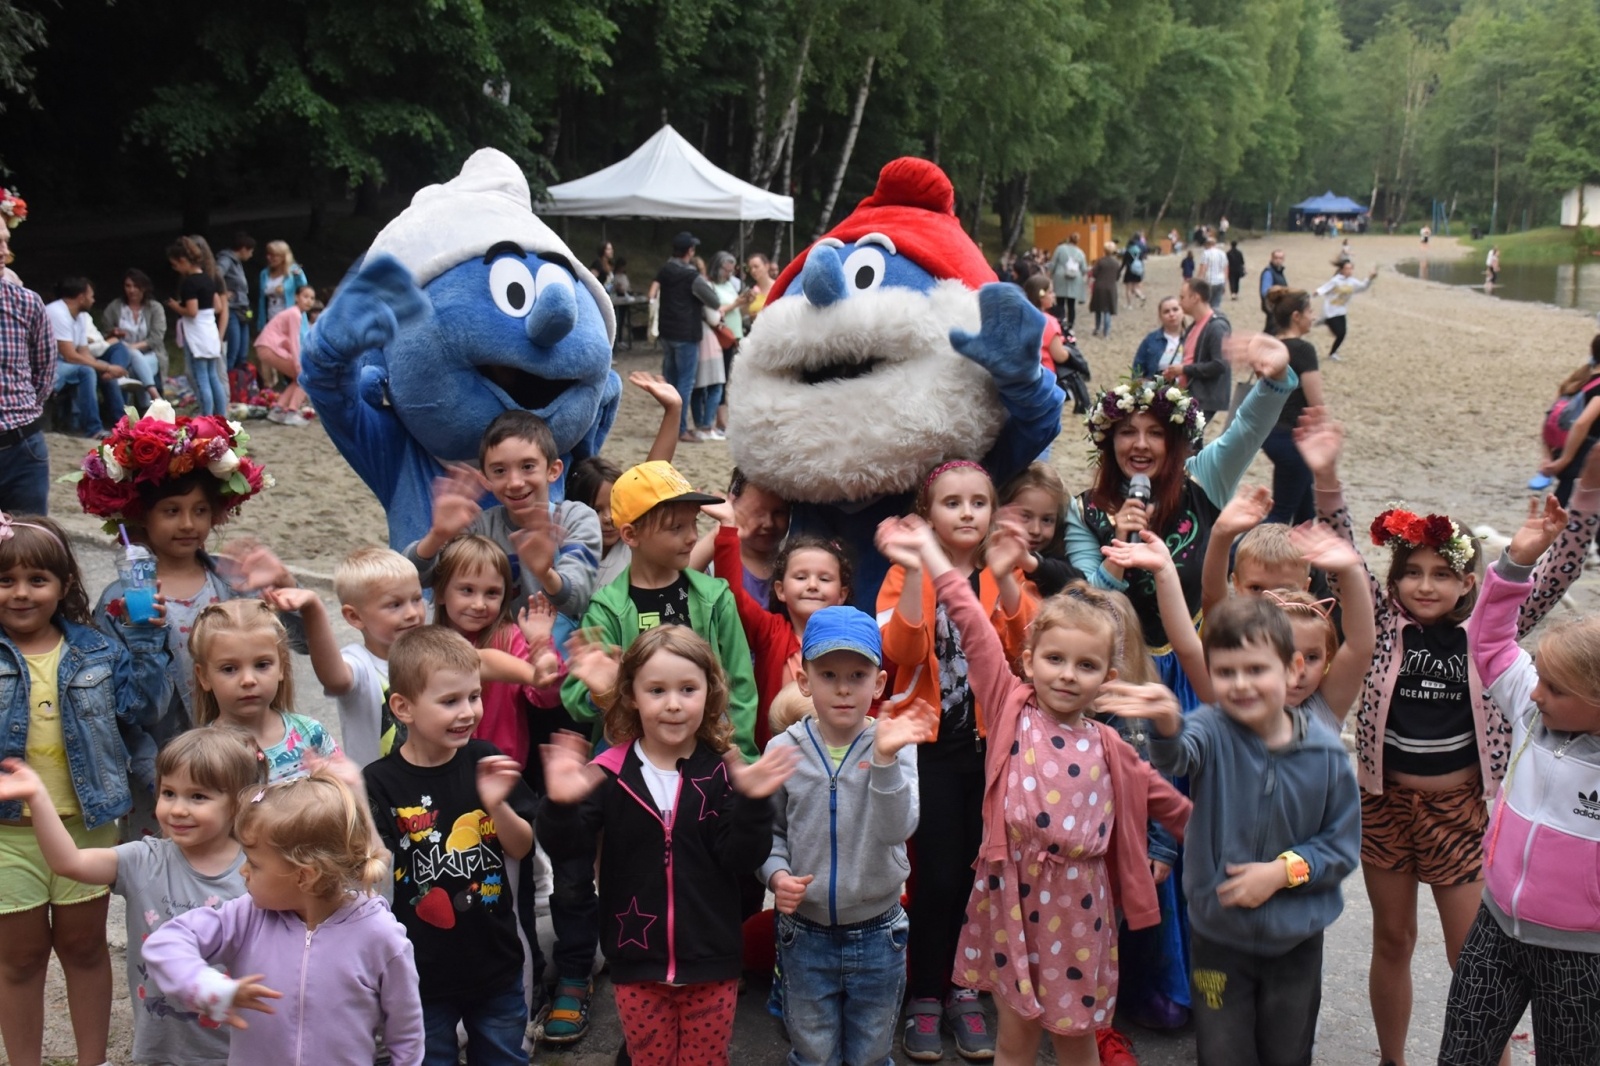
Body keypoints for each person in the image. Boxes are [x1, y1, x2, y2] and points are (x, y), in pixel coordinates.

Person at [1297, 407, 1600, 1066]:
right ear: (1395, 578)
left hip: (1459, 813)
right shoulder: (1378, 625)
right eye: (1412, 571)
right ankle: (1391, 1058)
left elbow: (1561, 565)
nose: (1424, 585)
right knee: (1392, 940)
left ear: (1470, 581)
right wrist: (1326, 477)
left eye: (1442, 573)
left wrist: (1586, 494)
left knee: (1478, 956)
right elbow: (1339, 546)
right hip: (1381, 807)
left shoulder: (1492, 637)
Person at [888, 515, 1191, 1066]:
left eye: (1086, 665)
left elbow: (1169, 804)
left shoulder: (1109, 745)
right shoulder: (1010, 706)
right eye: (1055, 659)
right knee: (1016, 1034)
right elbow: (973, 627)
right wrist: (932, 555)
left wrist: (1228, 845)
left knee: (1075, 1036)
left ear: (1109, 677)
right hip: (1011, 893)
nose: (1068, 674)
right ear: (1029, 660)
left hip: (1081, 905)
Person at [1111, 596, 1361, 1066]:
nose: (1241, 685)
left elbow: (1342, 845)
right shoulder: (1211, 729)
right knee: (1221, 1048)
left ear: (1291, 668)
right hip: (1216, 943)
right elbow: (1177, 757)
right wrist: (1165, 723)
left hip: (1295, 944)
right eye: (1225, 673)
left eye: (1256, 670)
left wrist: (1283, 872)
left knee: (1287, 1051)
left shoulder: (1326, 754)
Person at [538, 626, 795, 1066]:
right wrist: (560, 805)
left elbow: (742, 858)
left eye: (687, 689)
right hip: (636, 963)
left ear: (710, 694)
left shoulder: (721, 772)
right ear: (632, 695)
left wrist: (754, 803)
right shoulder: (608, 772)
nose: (673, 703)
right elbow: (569, 850)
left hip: (712, 963)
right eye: (656, 690)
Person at [873, 461, 1038, 1062]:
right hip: (933, 749)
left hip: (996, 750)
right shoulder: (900, 574)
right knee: (937, 878)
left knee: (983, 879)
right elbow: (902, 649)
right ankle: (924, 994)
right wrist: (917, 568)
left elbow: (1032, 649)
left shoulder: (1004, 571)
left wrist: (1007, 578)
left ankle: (967, 990)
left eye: (978, 502)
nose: (967, 513)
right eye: (952, 503)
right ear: (928, 513)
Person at [0, 514, 169, 1066]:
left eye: (37, 579)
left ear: (65, 584)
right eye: (5, 580)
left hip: (87, 826)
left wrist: (144, 641)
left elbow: (142, 711)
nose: (22, 593)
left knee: (84, 948)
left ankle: (90, 1061)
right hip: (8, 836)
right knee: (19, 960)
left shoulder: (98, 650)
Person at [76, 406, 292, 836]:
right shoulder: (121, 604)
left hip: (242, 775)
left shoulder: (232, 582)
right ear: (141, 517)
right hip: (167, 785)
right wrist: (157, 779)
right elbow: (121, 711)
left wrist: (284, 587)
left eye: (199, 509)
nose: (189, 524)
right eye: (171, 511)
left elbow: (290, 650)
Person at [1439, 498, 1600, 1065]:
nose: (1535, 693)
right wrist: (1516, 563)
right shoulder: (1534, 716)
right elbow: (1489, 642)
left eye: (1555, 687)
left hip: (1583, 957)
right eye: (1540, 679)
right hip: (1496, 929)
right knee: (1459, 1058)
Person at [0, 729, 264, 1066]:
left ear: (237, 803)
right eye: (169, 793)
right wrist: (37, 798)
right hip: (161, 1048)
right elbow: (69, 862)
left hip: (240, 1047)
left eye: (198, 797)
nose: (178, 809)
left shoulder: (257, 870)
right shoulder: (144, 859)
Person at [142, 772, 424, 1065]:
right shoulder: (247, 916)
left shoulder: (380, 935)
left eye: (253, 862)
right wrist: (205, 984)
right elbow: (165, 942)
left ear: (304, 875)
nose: (243, 871)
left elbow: (406, 1034)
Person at [760, 607, 933, 1066]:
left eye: (857, 675)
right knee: (813, 1051)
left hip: (880, 931)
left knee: (871, 1052)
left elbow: (899, 829)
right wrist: (777, 876)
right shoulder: (782, 750)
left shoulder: (895, 745)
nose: (842, 688)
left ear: (877, 685)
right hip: (805, 933)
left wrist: (884, 761)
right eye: (828, 674)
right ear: (804, 680)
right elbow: (769, 833)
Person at [363, 626, 540, 1066]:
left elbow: (521, 846)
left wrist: (497, 805)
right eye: (449, 701)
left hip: (495, 963)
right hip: (419, 974)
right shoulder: (380, 782)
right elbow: (373, 870)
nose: (468, 712)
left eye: (474, 696)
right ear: (402, 707)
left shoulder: (486, 757)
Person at [561, 460, 760, 762]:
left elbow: (740, 685)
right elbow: (577, 697)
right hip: (632, 762)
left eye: (693, 522)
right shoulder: (606, 610)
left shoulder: (715, 598)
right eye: (675, 527)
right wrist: (602, 692)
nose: (692, 536)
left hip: (708, 756)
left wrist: (741, 756)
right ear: (630, 534)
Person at [404, 409, 603, 623]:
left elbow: (578, 598)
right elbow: (413, 580)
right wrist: (437, 536)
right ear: (486, 478)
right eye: (499, 471)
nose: (515, 482)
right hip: (492, 648)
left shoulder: (575, 518)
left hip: (558, 651)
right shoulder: (479, 528)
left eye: (528, 467)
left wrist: (545, 573)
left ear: (553, 470)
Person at [707, 499, 851, 751]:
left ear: (842, 594)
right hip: (774, 753)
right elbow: (733, 596)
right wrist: (729, 528)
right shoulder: (770, 632)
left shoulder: (853, 642)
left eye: (825, 578)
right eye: (801, 576)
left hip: (836, 755)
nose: (813, 584)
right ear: (780, 590)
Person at [304, 546, 428, 767]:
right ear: (355, 616)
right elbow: (335, 679)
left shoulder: (432, 654)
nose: (412, 613)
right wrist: (314, 611)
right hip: (375, 794)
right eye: (395, 605)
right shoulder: (360, 663)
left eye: (417, 599)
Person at [564, 373, 686, 592]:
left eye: (614, 507)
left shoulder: (631, 542)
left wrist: (673, 410)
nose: (609, 518)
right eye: (596, 509)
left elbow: (653, 474)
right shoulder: (567, 553)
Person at [190, 600, 337, 781]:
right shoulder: (201, 756)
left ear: (281, 667)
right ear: (204, 676)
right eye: (229, 669)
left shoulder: (310, 734)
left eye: (262, 665)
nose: (248, 680)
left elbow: (347, 797)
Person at [1257, 287, 1325, 524]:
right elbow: (1316, 403)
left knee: (1306, 513)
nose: (1313, 316)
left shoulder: (1271, 346)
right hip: (1293, 438)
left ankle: (1309, 562)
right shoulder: (1303, 350)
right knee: (1280, 514)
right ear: (1296, 316)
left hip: (1271, 433)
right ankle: (1233, 558)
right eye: (1310, 311)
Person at [647, 232, 721, 441]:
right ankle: (679, 429)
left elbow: (653, 292)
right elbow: (713, 301)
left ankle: (668, 425)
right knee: (685, 383)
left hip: (667, 333)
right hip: (686, 333)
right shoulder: (691, 276)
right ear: (690, 251)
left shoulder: (665, 269)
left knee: (670, 381)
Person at [0, 273, 57, 515]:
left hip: (22, 447)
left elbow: (45, 371)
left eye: (5, 241)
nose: (3, 250)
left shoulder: (26, 302)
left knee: (30, 543)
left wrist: (20, 413)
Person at [165, 237, 228, 417]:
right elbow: (218, 306)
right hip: (210, 330)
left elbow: (191, 311)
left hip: (197, 333)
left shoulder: (189, 283)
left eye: (175, 264)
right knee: (214, 376)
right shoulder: (209, 279)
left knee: (201, 378)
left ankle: (206, 414)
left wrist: (175, 306)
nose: (175, 269)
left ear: (183, 261)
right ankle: (221, 414)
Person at [999, 462, 1081, 598]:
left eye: (1047, 520)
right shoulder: (982, 556)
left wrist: (1033, 564)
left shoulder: (1056, 562)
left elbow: (1079, 584)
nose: (1036, 530)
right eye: (1025, 517)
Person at [45, 277, 115, 437]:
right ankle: (94, 429)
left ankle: (118, 420)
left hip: (63, 361)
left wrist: (104, 368)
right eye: (91, 295)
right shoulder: (57, 312)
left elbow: (83, 352)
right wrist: (106, 367)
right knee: (87, 371)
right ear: (81, 297)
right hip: (46, 364)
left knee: (99, 369)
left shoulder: (81, 315)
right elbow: (70, 355)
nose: (93, 300)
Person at [100, 268, 167, 408]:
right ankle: (153, 402)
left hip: (149, 354)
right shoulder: (115, 307)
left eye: (136, 286)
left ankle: (136, 409)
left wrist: (130, 348)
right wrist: (114, 333)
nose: (131, 290)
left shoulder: (155, 308)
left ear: (144, 288)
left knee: (135, 366)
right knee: (134, 365)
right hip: (121, 357)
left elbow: (156, 338)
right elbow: (105, 335)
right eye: (128, 286)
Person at [1170, 278, 1232, 425]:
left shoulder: (1217, 327)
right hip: (1191, 393)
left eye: (1182, 297)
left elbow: (1220, 365)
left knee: (1189, 442)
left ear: (1195, 297)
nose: (1179, 302)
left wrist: (1184, 369)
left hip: (1205, 396)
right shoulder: (1195, 326)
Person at [253, 284, 316, 424]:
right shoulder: (295, 314)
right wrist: (298, 364)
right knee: (306, 377)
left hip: (266, 347)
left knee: (298, 379)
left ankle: (278, 410)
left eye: (312, 298)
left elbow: (290, 340)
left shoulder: (294, 313)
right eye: (305, 296)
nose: (309, 301)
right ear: (296, 297)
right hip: (269, 347)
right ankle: (292, 412)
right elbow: (294, 341)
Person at [707, 251, 746, 435]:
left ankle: (723, 418)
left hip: (734, 334)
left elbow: (736, 310)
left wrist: (744, 303)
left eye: (732, 270)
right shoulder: (711, 286)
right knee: (720, 378)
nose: (729, 273)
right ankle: (720, 419)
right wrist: (736, 304)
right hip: (721, 335)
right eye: (726, 270)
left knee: (728, 378)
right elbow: (717, 310)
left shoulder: (729, 284)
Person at [1314, 258, 1377, 362]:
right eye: (1347, 269)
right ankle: (1326, 320)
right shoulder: (1336, 280)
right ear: (1342, 270)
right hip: (1330, 310)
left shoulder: (1352, 282)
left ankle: (1332, 353)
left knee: (1342, 333)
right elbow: (1324, 288)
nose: (1349, 271)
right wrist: (1315, 293)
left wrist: (1370, 278)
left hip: (1341, 311)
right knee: (1338, 332)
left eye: (1351, 269)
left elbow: (1363, 287)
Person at [215, 233, 254, 373]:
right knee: (233, 350)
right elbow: (216, 273)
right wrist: (223, 292)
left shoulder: (237, 263)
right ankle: (228, 384)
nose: (251, 255)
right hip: (231, 309)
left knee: (243, 352)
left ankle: (240, 385)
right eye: (250, 251)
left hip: (242, 309)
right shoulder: (226, 259)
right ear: (243, 249)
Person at [254, 240, 308, 329]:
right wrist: (261, 323)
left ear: (284, 257)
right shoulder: (264, 274)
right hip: (271, 319)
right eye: (268, 254)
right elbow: (261, 299)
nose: (269, 257)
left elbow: (304, 289)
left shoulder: (294, 271)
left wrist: (298, 276)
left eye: (273, 255)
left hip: (291, 321)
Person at [1131, 295, 1185, 381]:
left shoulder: (1193, 338)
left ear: (1183, 312)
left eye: (1175, 309)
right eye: (1166, 312)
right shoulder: (1150, 340)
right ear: (1160, 316)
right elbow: (1137, 371)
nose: (1171, 314)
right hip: (1157, 392)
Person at [1048, 232, 1089, 330]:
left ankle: (1060, 321)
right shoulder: (1080, 253)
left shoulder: (1060, 249)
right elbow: (1084, 269)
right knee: (1071, 304)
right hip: (1074, 278)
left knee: (1060, 302)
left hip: (1060, 276)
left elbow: (1053, 263)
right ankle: (1070, 325)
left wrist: (1050, 273)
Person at [1089, 240, 1121, 339]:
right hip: (1111, 287)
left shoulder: (1100, 261)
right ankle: (1106, 332)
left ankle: (1097, 328)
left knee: (1098, 309)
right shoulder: (1116, 263)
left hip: (1099, 287)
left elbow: (1094, 274)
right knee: (1107, 310)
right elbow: (1118, 277)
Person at [1258, 249, 1287, 332]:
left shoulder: (1279, 272)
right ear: (1271, 258)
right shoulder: (1269, 272)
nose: (1278, 260)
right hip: (1273, 307)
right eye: (1276, 258)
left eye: (1280, 258)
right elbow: (1265, 292)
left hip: (1279, 307)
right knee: (1272, 330)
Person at [1200, 237, 1229, 311]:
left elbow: (1203, 269)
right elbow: (1225, 269)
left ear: (1207, 244)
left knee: (1206, 303)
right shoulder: (1222, 253)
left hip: (1209, 281)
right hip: (1220, 281)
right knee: (1216, 304)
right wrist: (1225, 283)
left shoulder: (1206, 253)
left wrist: (1199, 281)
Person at [1122, 235, 1147, 306]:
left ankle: (1129, 305)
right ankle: (1142, 296)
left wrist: (1119, 271)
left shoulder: (1127, 251)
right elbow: (1142, 260)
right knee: (1135, 287)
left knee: (1128, 289)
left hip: (1129, 271)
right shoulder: (1139, 251)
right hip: (1137, 271)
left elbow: (1124, 262)